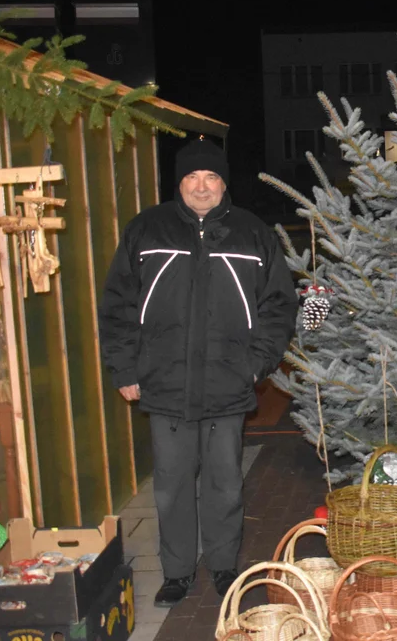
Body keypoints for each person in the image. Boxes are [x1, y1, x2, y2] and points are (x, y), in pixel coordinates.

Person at [98, 138, 298, 606]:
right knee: (170, 486)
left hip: (228, 384)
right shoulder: (146, 231)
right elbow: (118, 307)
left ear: (223, 183)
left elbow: (278, 308)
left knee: (224, 483)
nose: (202, 186)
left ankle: (224, 565)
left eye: (211, 178)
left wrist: (255, 364)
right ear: (179, 183)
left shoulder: (252, 234)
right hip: (163, 384)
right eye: (192, 177)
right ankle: (177, 572)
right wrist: (125, 367)